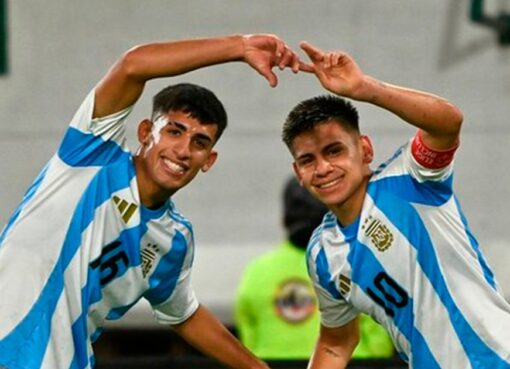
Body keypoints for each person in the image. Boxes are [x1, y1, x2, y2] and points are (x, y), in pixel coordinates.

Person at [0, 34, 306, 369]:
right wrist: (239, 47)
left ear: (209, 160)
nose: (183, 150)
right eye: (174, 131)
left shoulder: (173, 241)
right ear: (146, 132)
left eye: (199, 142)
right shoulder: (93, 154)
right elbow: (133, 66)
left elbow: (184, 313)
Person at [281, 41, 510, 369]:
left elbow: (448, 123)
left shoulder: (410, 179)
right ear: (298, 173)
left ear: (365, 150)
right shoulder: (322, 255)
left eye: (334, 151)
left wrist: (364, 88)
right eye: (308, 160)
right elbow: (336, 342)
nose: (322, 168)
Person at [235, 176, 394, 360]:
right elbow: (379, 347)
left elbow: (249, 343)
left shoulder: (256, 272)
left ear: (284, 217)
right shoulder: (359, 268)